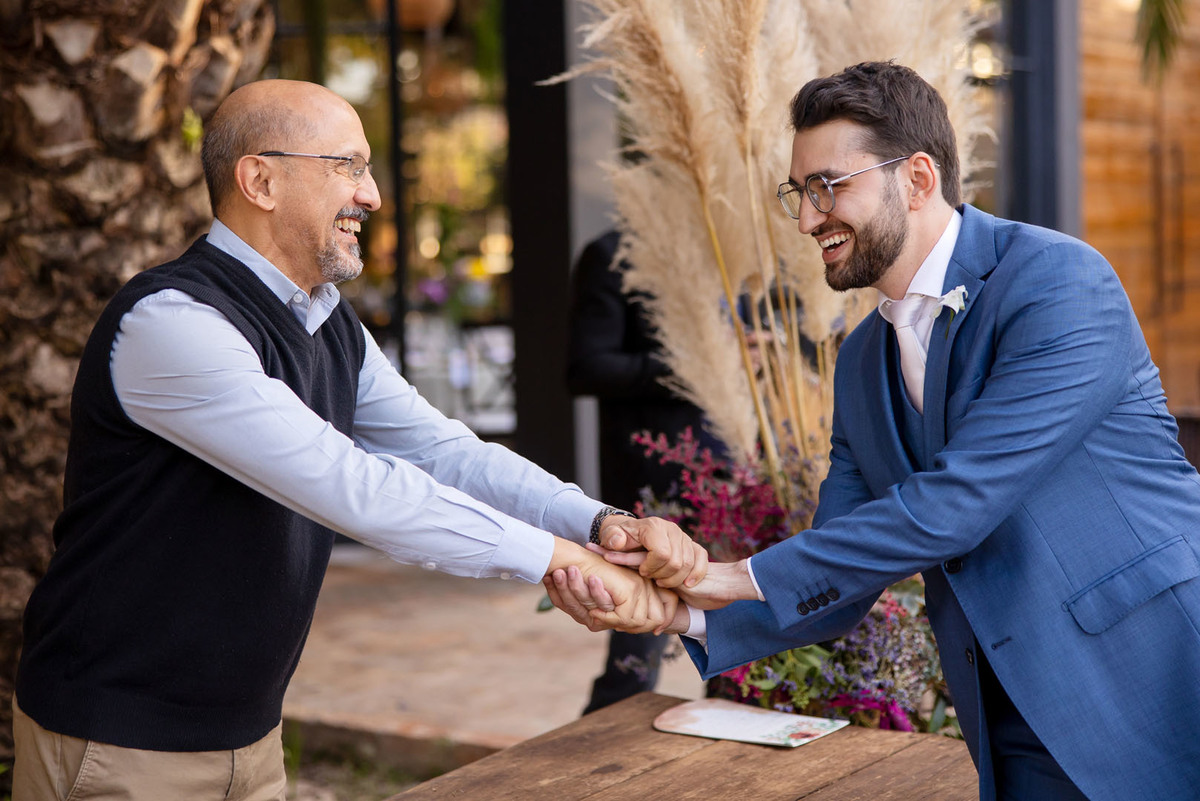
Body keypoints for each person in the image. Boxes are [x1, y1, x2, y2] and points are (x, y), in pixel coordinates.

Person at [11, 79, 706, 801]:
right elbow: (355, 488)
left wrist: (600, 524)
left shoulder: (327, 321)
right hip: (119, 744)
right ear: (261, 179)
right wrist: (565, 563)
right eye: (347, 165)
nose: (370, 195)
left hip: (248, 738)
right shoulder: (173, 323)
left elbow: (444, 452)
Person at [549, 61, 1200, 801]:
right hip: (1006, 718)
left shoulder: (1058, 283)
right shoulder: (861, 360)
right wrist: (683, 610)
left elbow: (960, 500)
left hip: (1156, 682)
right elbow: (844, 570)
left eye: (829, 186)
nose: (805, 219)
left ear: (919, 178)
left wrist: (724, 574)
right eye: (799, 192)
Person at [567, 229, 723, 713]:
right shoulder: (613, 254)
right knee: (637, 646)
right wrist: (688, 366)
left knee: (736, 644)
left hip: (736, 481)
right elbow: (587, 367)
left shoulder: (729, 246)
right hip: (655, 488)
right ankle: (596, 765)